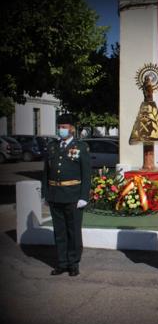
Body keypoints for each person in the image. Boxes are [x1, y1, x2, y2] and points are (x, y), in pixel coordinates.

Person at [41, 113, 91, 276]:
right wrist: (46, 194)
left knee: (73, 232)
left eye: (64, 127)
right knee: (59, 231)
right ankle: (61, 263)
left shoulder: (81, 147)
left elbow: (86, 174)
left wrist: (84, 197)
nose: (61, 130)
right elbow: (46, 173)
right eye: (59, 127)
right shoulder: (52, 146)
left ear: (71, 128)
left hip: (73, 196)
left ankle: (73, 263)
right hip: (55, 195)